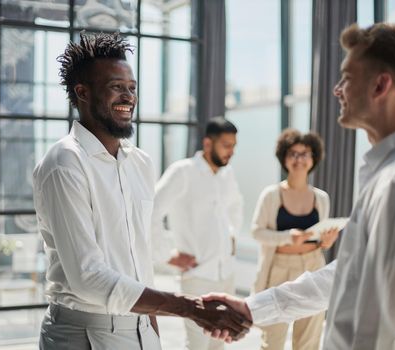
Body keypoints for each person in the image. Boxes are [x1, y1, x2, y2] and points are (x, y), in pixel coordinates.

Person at [203, 22, 395, 349]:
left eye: (347, 78)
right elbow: (345, 276)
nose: (337, 90)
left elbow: (381, 331)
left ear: (380, 86)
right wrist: (252, 308)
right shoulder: (389, 174)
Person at [33, 32, 250, 350]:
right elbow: (88, 276)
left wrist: (152, 330)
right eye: (116, 87)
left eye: (132, 88)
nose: (129, 97)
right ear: (82, 92)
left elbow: (140, 259)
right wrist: (190, 308)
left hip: (140, 327)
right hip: (83, 334)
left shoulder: (140, 163)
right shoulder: (65, 163)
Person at [151, 116, 243, 350]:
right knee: (197, 345)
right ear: (208, 143)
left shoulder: (227, 174)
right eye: (226, 145)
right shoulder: (183, 171)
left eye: (233, 145)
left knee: (219, 341)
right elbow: (151, 212)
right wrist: (167, 256)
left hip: (226, 273)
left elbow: (235, 207)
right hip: (198, 274)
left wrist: (231, 238)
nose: (231, 151)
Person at [251, 129, 339, 350]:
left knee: (309, 341)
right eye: (293, 153)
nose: (299, 159)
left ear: (313, 158)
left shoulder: (321, 198)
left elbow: (320, 240)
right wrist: (286, 237)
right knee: (272, 340)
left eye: (305, 153)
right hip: (279, 269)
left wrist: (326, 242)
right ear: (284, 158)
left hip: (313, 266)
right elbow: (256, 232)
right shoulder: (271, 195)